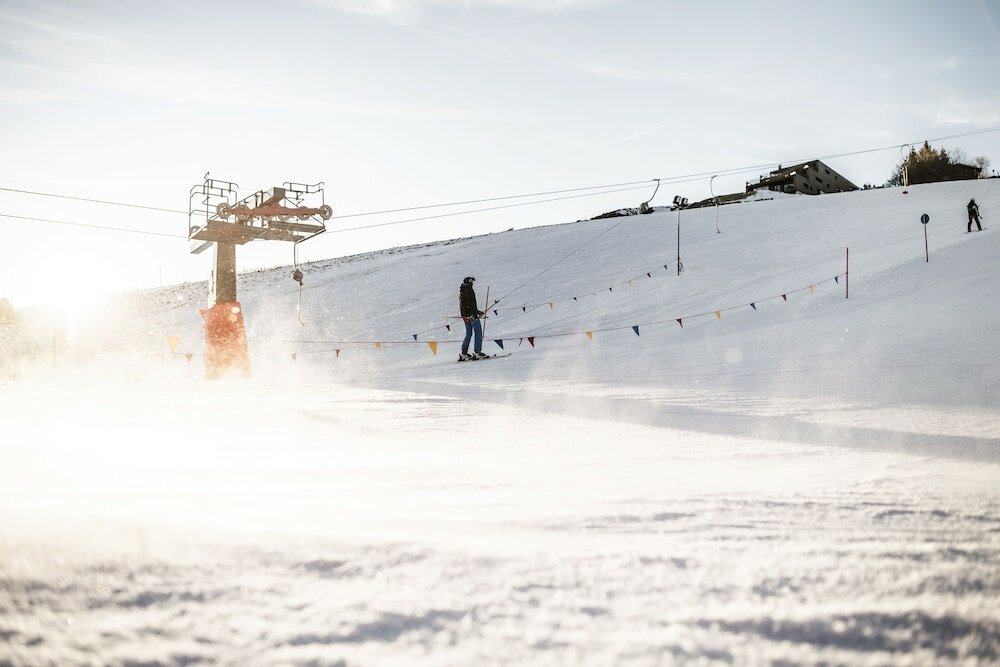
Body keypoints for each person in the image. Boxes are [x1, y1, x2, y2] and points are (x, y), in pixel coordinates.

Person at [458, 276, 486, 361]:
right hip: (471, 315)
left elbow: (465, 305)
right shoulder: (468, 290)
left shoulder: (462, 291)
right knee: (478, 332)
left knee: (469, 333)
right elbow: (470, 304)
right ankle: (477, 352)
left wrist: (476, 312)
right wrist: (475, 313)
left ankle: (464, 353)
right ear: (469, 282)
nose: (472, 284)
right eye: (472, 282)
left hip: (466, 316)